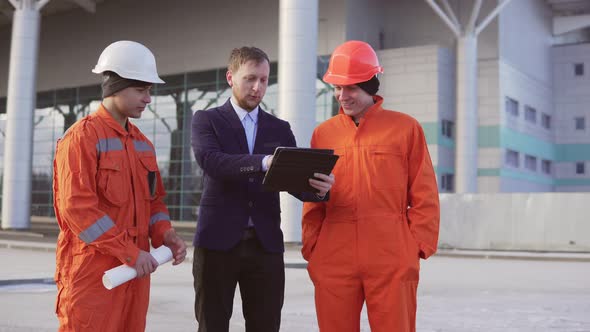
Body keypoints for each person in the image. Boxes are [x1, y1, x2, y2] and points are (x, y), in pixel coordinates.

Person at [191, 46, 334, 332]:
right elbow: (213, 163)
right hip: (217, 242)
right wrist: (264, 162)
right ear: (231, 77)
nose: (258, 88)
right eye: (250, 78)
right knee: (212, 324)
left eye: (264, 80)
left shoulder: (279, 128)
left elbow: (294, 179)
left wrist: (319, 189)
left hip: (265, 244)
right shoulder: (206, 120)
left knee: (266, 325)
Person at [301, 40, 440, 332]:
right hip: (333, 253)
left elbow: (425, 192)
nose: (342, 95)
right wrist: (313, 246)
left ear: (370, 84)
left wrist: (414, 248)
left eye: (349, 87)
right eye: (337, 87)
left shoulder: (406, 128)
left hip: (391, 252)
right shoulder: (323, 134)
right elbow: (312, 198)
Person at [53, 40, 187, 331]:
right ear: (115, 86)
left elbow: (154, 203)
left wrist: (166, 234)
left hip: (134, 272)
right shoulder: (81, 139)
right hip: (93, 273)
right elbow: (77, 209)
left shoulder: (143, 145)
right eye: (141, 90)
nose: (148, 99)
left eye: (149, 90)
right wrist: (128, 252)